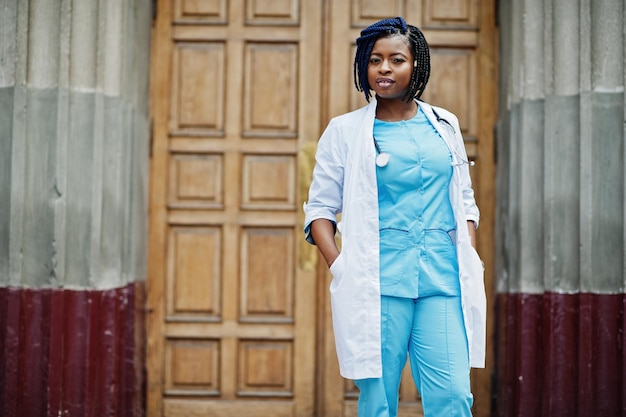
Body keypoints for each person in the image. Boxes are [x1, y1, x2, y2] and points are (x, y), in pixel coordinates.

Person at [303, 17, 486, 417]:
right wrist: (342, 266)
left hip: (442, 278)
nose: (384, 68)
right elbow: (320, 209)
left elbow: (464, 198)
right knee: (379, 401)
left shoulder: (445, 124)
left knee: (454, 396)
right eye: (374, 60)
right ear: (363, 68)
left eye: (396, 59)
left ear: (415, 65)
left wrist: (468, 248)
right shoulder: (345, 131)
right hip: (377, 281)